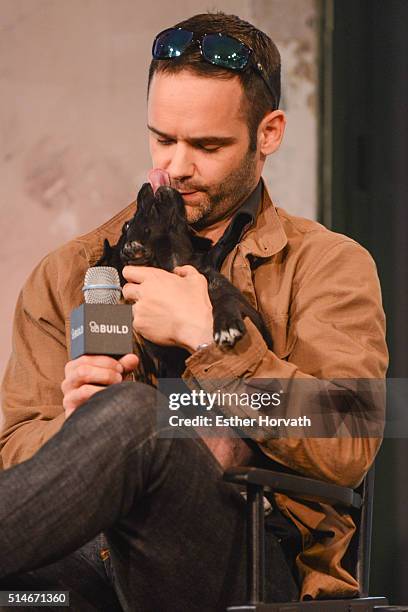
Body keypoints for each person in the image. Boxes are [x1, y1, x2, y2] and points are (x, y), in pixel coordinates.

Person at [0, 11, 388, 612]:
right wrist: (75, 430)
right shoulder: (71, 271)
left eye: (207, 145)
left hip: (245, 564)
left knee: (141, 419)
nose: (177, 166)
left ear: (270, 132)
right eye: (162, 139)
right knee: (28, 598)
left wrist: (210, 339)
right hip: (80, 574)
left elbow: (348, 437)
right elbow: (14, 450)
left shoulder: (330, 267)